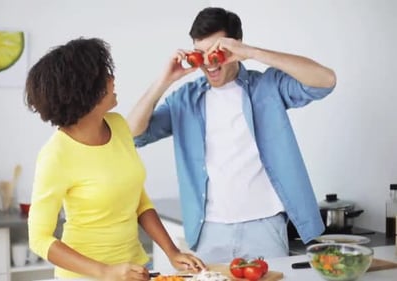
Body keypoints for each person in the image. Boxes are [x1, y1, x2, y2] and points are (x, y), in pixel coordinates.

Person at [127, 7, 337, 264]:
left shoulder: (267, 87)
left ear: (235, 46)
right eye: (201, 54)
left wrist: (253, 53)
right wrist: (164, 80)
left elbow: (325, 80)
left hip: (265, 227)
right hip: (209, 231)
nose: (209, 62)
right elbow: (133, 135)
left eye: (217, 51)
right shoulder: (184, 100)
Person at [25, 37, 205, 281]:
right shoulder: (55, 155)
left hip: (134, 271)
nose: (112, 79)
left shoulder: (118, 125)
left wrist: (172, 252)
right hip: (85, 277)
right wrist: (106, 271)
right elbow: (39, 239)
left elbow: (139, 202)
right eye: (105, 75)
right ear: (87, 91)